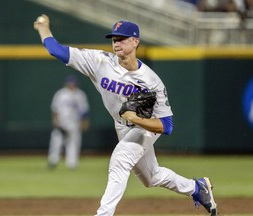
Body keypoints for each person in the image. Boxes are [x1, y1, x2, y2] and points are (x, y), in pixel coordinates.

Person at [34, 14, 218, 215]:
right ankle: (196, 188)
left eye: (122, 38)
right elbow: (56, 50)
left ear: (135, 41)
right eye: (114, 39)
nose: (116, 43)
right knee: (151, 177)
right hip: (122, 126)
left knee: (120, 160)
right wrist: (43, 27)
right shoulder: (99, 62)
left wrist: (136, 119)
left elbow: (167, 126)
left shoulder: (151, 81)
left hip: (145, 127)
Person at [48, 74, 90, 170]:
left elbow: (84, 111)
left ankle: (72, 163)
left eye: (73, 84)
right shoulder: (61, 94)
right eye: (70, 83)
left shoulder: (80, 95)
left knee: (74, 143)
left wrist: (84, 123)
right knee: (56, 142)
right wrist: (55, 121)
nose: (71, 85)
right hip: (62, 122)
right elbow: (55, 109)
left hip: (74, 123)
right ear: (66, 84)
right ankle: (53, 161)